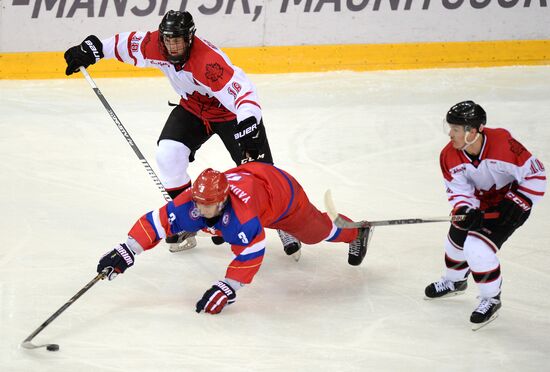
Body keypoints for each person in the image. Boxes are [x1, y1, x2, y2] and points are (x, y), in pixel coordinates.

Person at [63, 10, 300, 255]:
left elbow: (244, 93)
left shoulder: (209, 62)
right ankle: (190, 216)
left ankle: (284, 223)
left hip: (229, 113)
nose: (173, 46)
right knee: (168, 154)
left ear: (190, 38)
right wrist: (94, 49)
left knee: (261, 172)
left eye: (178, 40)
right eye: (168, 40)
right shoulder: (154, 44)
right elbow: (126, 44)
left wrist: (249, 123)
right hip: (193, 108)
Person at [95, 162, 370, 314]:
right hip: (255, 185)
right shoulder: (191, 203)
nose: (202, 210)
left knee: (317, 233)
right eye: (199, 202)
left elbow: (252, 251)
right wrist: (127, 249)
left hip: (282, 194)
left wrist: (228, 288)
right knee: (238, 224)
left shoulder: (243, 218)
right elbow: (156, 222)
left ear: (224, 200)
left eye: (210, 205)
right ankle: (278, 224)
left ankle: (357, 231)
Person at [425, 100, 546, 329]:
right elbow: (459, 191)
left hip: (509, 206)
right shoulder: (448, 155)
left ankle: (491, 298)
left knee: (477, 249)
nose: (450, 134)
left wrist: (518, 203)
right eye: (449, 127)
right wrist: (466, 210)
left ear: (474, 130)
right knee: (455, 242)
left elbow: (536, 175)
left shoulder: (503, 144)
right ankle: (454, 282)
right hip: (479, 205)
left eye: (456, 129)